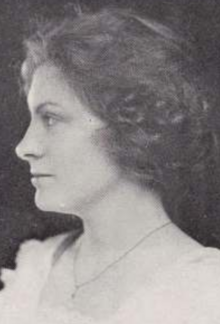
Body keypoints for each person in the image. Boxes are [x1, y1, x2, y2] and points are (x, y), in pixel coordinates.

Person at [1, 7, 220, 324]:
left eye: (51, 119)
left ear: (130, 125)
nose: (24, 148)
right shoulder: (36, 266)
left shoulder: (202, 291)